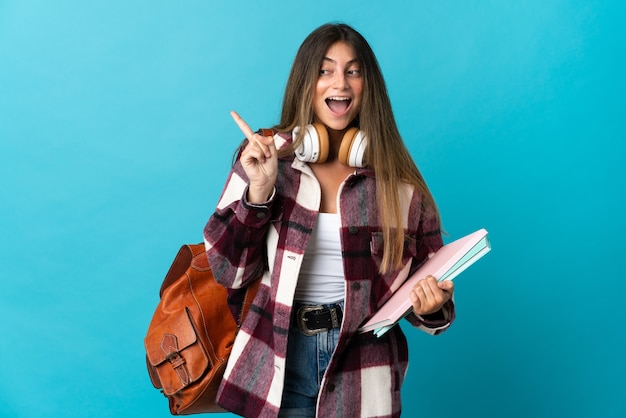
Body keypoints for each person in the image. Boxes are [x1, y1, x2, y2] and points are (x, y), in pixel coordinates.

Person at [204, 22, 455, 418]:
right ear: (307, 81)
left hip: (363, 367)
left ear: (367, 85)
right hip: (280, 360)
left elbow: (434, 281)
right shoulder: (266, 159)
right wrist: (258, 194)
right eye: (325, 69)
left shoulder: (398, 185)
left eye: (353, 71)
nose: (340, 82)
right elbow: (225, 271)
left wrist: (432, 306)